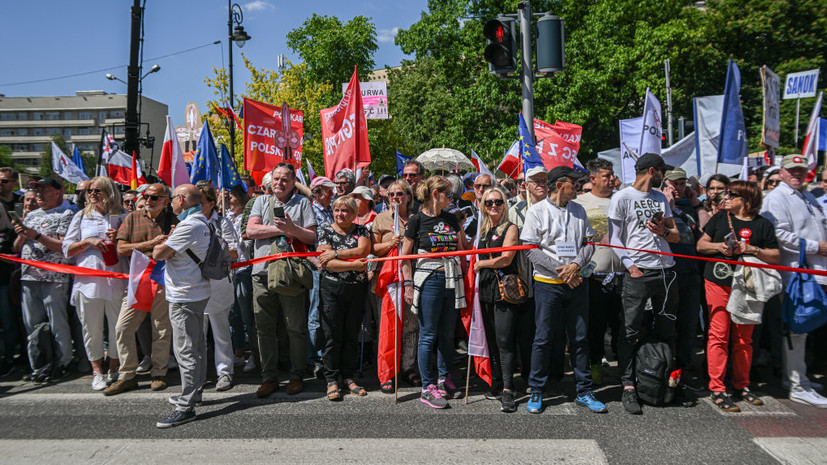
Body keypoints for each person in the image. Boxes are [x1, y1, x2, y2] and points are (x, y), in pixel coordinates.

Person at [521, 166, 606, 414]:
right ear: (560, 185)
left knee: (580, 339)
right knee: (543, 338)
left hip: (577, 283)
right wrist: (563, 270)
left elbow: (589, 243)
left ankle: (585, 391)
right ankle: (536, 390)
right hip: (549, 285)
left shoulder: (579, 210)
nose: (578, 187)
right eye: (574, 183)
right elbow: (530, 248)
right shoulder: (537, 212)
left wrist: (576, 265)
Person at [696, 181, 779, 411]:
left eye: (732, 194)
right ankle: (717, 388)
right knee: (719, 335)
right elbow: (701, 246)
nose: (726, 197)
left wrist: (753, 250)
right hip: (718, 281)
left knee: (744, 338)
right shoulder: (720, 219)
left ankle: (742, 385)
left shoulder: (763, 225)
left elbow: (775, 256)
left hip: (748, 286)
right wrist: (719, 247)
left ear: (747, 201)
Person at [608, 153, 680, 415]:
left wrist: (663, 231)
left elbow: (676, 235)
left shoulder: (660, 197)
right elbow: (615, 238)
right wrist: (631, 266)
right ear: (652, 170)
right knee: (629, 330)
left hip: (667, 271)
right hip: (640, 272)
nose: (665, 176)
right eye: (662, 171)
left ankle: (664, 379)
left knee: (667, 325)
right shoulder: (622, 197)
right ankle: (628, 385)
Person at [761, 154, 827, 408]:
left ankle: (798, 378)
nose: (797, 174)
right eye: (792, 170)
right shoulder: (777, 198)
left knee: (804, 326)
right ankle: (797, 383)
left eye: (801, 170)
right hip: (795, 272)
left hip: (813, 270)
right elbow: (780, 234)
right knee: (798, 326)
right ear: (782, 171)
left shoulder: (807, 196)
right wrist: (816, 247)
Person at [247, 163, 317, 398]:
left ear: (293, 181)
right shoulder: (260, 201)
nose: (279, 183)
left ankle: (297, 375)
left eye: (285, 179)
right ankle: (269, 377)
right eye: (276, 178)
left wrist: (293, 228)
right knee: (264, 328)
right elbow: (251, 231)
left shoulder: (303, 203)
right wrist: (281, 230)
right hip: (261, 273)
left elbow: (311, 236)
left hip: (291, 274)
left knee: (295, 327)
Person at [401, 176, 469, 409]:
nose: (451, 198)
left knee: (447, 333)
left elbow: (462, 250)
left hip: (452, 278)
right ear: (434, 194)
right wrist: (408, 285)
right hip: (429, 278)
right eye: (447, 194)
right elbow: (405, 258)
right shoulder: (416, 220)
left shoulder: (452, 218)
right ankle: (427, 387)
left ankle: (443, 377)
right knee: (428, 333)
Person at [105, 184, 177, 396]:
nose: (148, 200)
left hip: (163, 279)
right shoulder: (133, 217)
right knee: (123, 328)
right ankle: (127, 375)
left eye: (154, 197)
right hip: (138, 279)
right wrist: (153, 242)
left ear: (166, 200)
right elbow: (121, 248)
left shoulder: (174, 220)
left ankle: (159, 373)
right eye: (146, 196)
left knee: (161, 328)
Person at [152, 184, 211, 428]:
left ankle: (186, 406)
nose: (171, 203)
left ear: (183, 200)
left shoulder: (188, 225)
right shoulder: (203, 221)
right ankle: (194, 394)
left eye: (174, 198)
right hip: (196, 291)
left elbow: (158, 253)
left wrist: (160, 244)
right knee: (197, 347)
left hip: (185, 294)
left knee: (186, 350)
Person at [62, 177, 128, 390]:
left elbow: (133, 247)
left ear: (109, 192)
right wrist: (87, 242)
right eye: (90, 190)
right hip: (88, 281)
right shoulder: (81, 216)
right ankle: (97, 371)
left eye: (97, 190)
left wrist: (119, 238)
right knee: (91, 328)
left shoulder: (124, 216)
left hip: (117, 279)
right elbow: (67, 250)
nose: (92, 194)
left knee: (119, 327)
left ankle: (114, 368)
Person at [13, 176, 76, 382]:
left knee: (57, 323)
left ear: (58, 192)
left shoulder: (66, 213)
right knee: (32, 323)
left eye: (44, 190)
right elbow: (16, 248)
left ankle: (63, 361)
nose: (39, 194)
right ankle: (39, 365)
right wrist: (22, 235)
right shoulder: (30, 215)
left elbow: (65, 248)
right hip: (29, 276)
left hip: (54, 277)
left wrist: (37, 236)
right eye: (37, 190)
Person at [572, 158, 623, 386]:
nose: (611, 180)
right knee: (595, 327)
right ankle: (594, 365)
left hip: (623, 274)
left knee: (622, 326)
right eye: (606, 176)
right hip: (594, 277)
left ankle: (625, 369)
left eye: (612, 176)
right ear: (592, 178)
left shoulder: (622, 199)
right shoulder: (579, 202)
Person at [316, 195, 371, 400]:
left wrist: (336, 253)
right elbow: (326, 263)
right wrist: (353, 264)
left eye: (345, 210)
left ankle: (348, 376)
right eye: (337, 210)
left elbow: (363, 250)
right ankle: (331, 379)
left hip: (356, 288)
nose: (341, 214)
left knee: (351, 334)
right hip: (332, 288)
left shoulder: (362, 230)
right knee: (332, 334)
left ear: (354, 214)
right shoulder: (325, 230)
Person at [474, 186, 521, 412]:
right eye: (489, 202)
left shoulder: (510, 228)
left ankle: (508, 390)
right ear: (483, 205)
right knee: (491, 339)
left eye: (498, 202)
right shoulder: (482, 230)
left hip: (503, 288)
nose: (494, 206)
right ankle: (498, 382)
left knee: (504, 341)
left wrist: (481, 264)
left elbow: (506, 258)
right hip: (484, 288)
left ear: (505, 204)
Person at [371, 180, 420, 390]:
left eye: (399, 194)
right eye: (390, 194)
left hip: (414, 276)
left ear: (408, 196)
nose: (394, 198)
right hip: (389, 280)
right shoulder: (381, 219)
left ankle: (408, 367)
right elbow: (372, 248)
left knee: (412, 325)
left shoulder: (417, 218)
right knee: (389, 327)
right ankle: (388, 371)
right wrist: (390, 244)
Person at [198, 184, 239, 392]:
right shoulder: (186, 223)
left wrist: (216, 248)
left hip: (218, 286)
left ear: (211, 203)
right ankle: (199, 374)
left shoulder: (223, 223)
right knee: (196, 334)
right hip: (193, 286)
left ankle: (225, 372)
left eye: (201, 202)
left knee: (220, 331)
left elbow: (235, 253)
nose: (196, 206)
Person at [307, 176, 336, 379]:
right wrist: (316, 263)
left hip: (333, 268)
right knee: (315, 314)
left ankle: (328, 357)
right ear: (316, 193)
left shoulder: (332, 210)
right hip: (317, 269)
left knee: (330, 314)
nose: (331, 194)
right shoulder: (309, 211)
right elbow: (304, 244)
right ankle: (316, 360)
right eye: (327, 191)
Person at [226, 184, 256, 373]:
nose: (228, 200)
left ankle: (254, 352)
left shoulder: (248, 217)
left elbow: (244, 246)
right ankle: (238, 353)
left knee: (247, 315)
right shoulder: (226, 218)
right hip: (229, 272)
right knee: (232, 314)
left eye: (231, 196)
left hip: (245, 267)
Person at [0, 167, 21, 375]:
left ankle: (10, 358)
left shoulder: (21, 203)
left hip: (10, 268)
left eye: (4, 181)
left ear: (14, 182)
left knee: (9, 318)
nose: (0, 184)